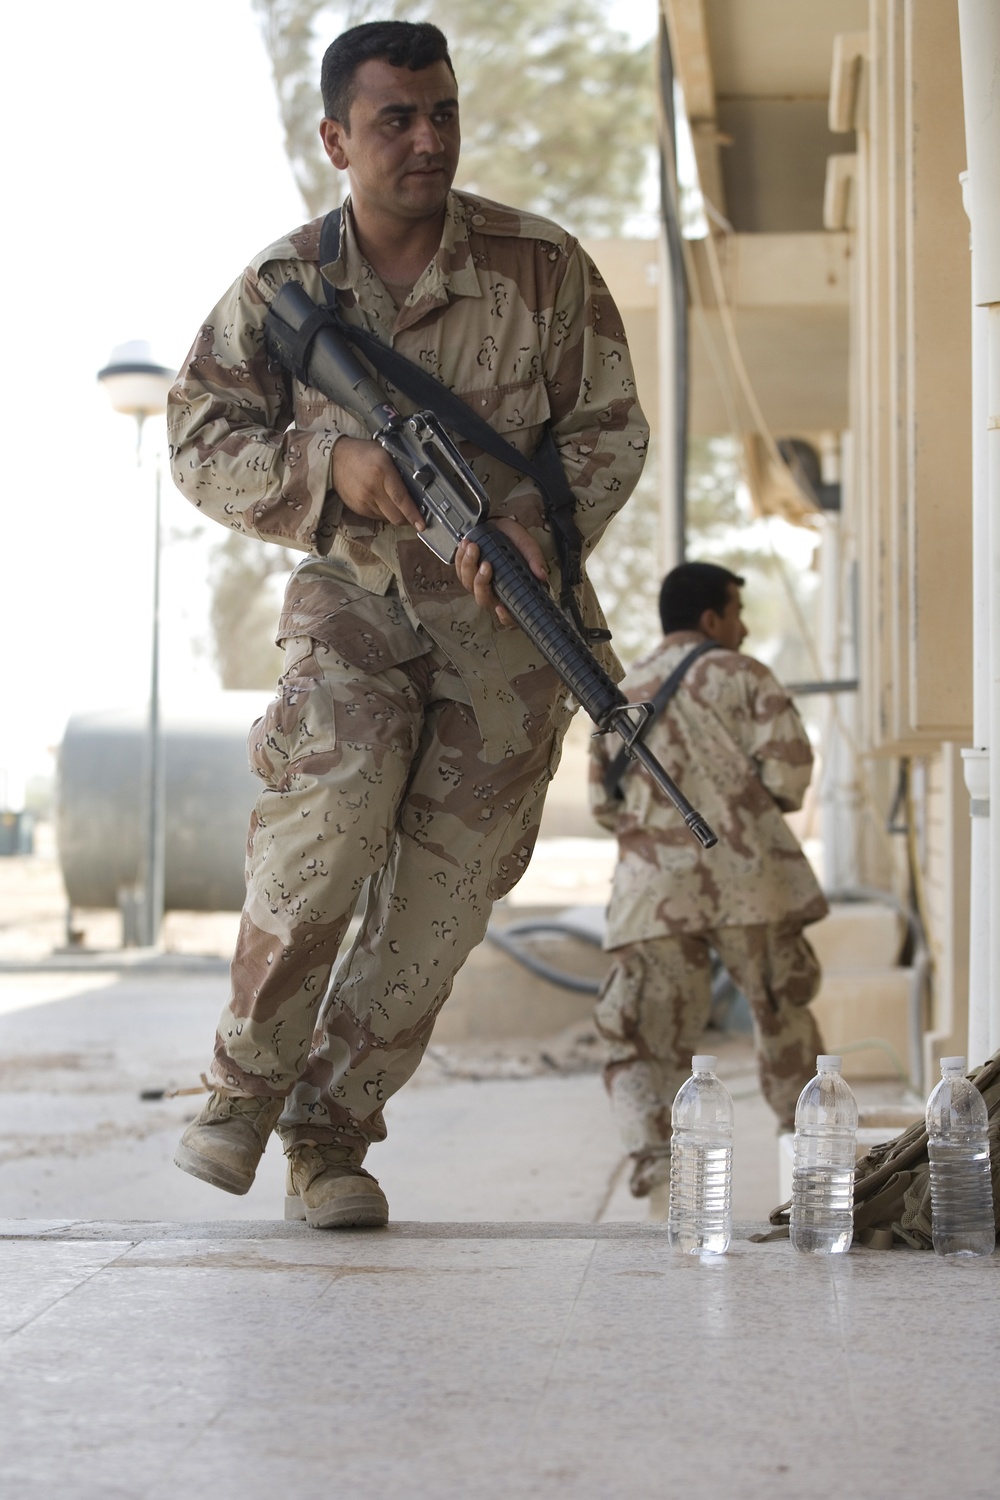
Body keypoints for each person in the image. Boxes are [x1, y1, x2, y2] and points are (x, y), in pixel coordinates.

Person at [166, 19, 648, 1228]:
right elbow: (197, 437)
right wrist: (332, 468)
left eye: (442, 114)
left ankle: (329, 1142)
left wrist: (543, 526)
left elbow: (609, 427)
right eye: (395, 120)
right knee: (329, 817)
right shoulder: (286, 287)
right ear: (336, 138)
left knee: (447, 897)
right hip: (355, 604)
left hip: (507, 619)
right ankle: (240, 1092)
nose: (426, 139)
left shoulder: (542, 267)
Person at [588, 561, 828, 1216]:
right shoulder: (744, 675)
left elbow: (602, 803)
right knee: (782, 1017)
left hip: (652, 889)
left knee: (641, 1036)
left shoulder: (618, 686)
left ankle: (661, 1184)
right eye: (738, 614)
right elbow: (787, 775)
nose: (745, 629)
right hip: (751, 882)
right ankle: (808, 1168)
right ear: (711, 619)